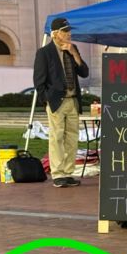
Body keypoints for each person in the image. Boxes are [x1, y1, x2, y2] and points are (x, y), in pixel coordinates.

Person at [33, 16, 89, 188]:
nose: (69, 34)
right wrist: (47, 101)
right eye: (65, 31)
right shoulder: (44, 53)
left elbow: (84, 72)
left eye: (69, 31)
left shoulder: (73, 49)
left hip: (73, 101)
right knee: (56, 137)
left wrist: (74, 53)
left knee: (72, 138)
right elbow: (38, 81)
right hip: (56, 101)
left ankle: (68, 172)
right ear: (56, 34)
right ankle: (57, 174)